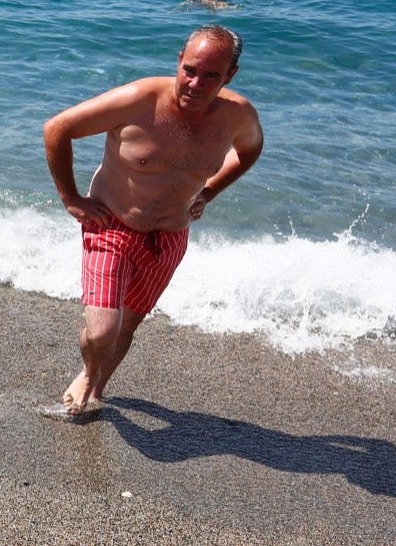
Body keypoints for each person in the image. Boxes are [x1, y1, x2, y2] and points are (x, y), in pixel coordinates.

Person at [42, 25, 264, 416]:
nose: (196, 83)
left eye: (211, 75)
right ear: (178, 61)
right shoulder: (139, 99)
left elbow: (249, 151)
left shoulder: (236, 116)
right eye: (190, 69)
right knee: (102, 331)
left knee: (127, 327)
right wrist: (71, 199)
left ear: (230, 76)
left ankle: (97, 387)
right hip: (111, 224)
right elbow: (57, 129)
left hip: (170, 237)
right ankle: (89, 372)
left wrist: (209, 191)